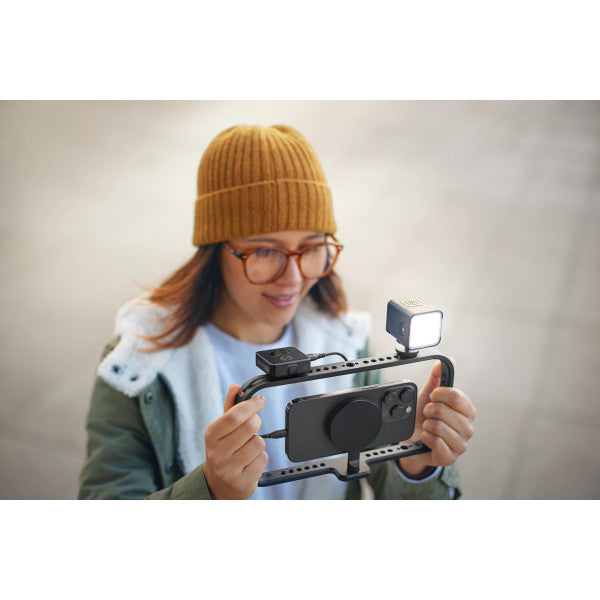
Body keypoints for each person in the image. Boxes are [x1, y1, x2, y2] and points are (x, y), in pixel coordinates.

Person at [78, 124, 476, 500]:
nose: (293, 278)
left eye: (312, 248)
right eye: (265, 251)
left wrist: (413, 460)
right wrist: (210, 490)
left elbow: (381, 471)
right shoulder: (139, 366)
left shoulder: (345, 342)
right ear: (215, 248)